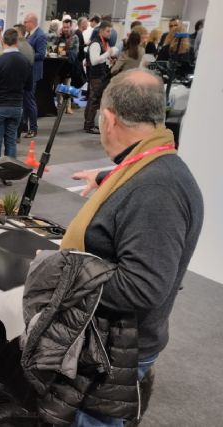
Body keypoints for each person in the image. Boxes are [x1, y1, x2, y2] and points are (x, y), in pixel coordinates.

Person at [65, 68, 203, 426]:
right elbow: (135, 182)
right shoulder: (153, 165)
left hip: (115, 355)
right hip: (113, 346)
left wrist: (65, 269)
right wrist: (104, 178)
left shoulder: (156, 191)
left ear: (108, 119)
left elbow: (143, 286)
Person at [0, 28, 32, 187]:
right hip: (16, 106)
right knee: (11, 142)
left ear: (3, 42)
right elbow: (30, 87)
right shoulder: (25, 62)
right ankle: (8, 176)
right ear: (17, 41)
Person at [84, 21, 115, 134]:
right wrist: (108, 53)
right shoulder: (96, 43)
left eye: (110, 31)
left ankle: (88, 123)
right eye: (108, 31)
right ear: (101, 31)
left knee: (93, 99)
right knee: (94, 100)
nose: (109, 33)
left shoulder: (102, 43)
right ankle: (89, 125)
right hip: (96, 75)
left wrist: (108, 58)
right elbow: (94, 60)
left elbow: (99, 59)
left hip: (100, 75)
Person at [23, 12, 47, 138]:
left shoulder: (40, 35)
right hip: (27, 73)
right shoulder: (29, 34)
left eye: (25, 22)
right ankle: (24, 126)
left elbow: (41, 55)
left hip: (33, 73)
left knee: (30, 101)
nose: (24, 24)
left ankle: (33, 128)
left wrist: (26, 55)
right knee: (25, 101)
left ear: (32, 22)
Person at [56, 19, 79, 114]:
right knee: (58, 87)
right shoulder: (60, 37)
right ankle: (60, 106)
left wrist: (65, 52)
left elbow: (75, 53)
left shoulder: (75, 37)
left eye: (67, 27)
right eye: (64, 27)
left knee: (68, 87)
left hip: (69, 66)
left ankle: (68, 106)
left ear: (71, 27)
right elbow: (55, 48)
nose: (65, 29)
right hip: (59, 66)